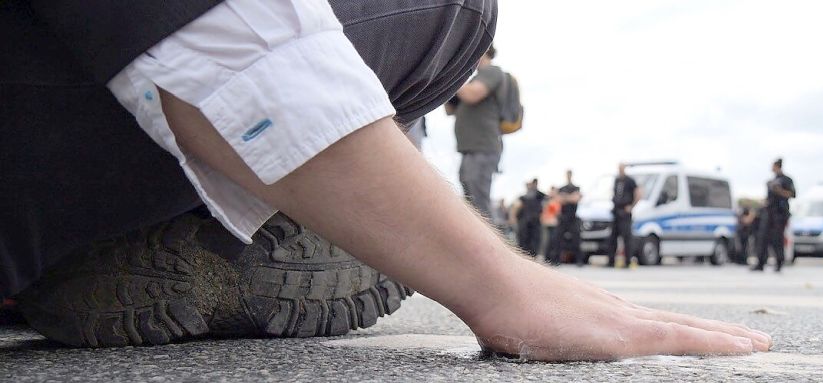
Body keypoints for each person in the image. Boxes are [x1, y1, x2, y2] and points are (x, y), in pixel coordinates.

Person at [1, 0, 772, 361]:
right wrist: (494, 280)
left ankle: (298, 199)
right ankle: (274, 217)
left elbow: (498, 117)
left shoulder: (506, 90)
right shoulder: (489, 70)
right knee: (457, 9)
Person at [445, 45, 505, 220]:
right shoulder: (472, 80)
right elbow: (450, 110)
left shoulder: (492, 72)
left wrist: (450, 77)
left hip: (482, 147)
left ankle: (490, 245)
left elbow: (472, 95)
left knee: (479, 202)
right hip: (470, 149)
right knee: (472, 203)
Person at [752, 159, 797, 273]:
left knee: (777, 239)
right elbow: (769, 199)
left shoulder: (786, 180)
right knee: (762, 238)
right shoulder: (771, 181)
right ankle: (760, 263)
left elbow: (792, 194)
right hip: (768, 213)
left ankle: (779, 263)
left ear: (777, 166)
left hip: (780, 214)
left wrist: (779, 191)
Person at [607, 163, 641, 268]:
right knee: (612, 238)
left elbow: (638, 193)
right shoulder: (617, 180)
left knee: (626, 238)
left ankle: (627, 262)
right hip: (616, 211)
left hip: (625, 213)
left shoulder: (630, 181)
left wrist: (632, 206)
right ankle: (611, 261)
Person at [547, 170, 584, 266]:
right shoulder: (561, 188)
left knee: (576, 239)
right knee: (558, 239)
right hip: (563, 217)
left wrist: (565, 197)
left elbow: (576, 199)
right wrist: (570, 197)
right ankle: (556, 260)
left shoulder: (576, 187)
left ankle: (579, 260)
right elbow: (558, 199)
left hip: (573, 217)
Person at [513, 179, 547, 257]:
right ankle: (524, 255)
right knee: (524, 239)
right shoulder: (523, 197)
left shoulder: (539, 195)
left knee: (535, 239)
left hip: (535, 220)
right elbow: (517, 207)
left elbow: (546, 203)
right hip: (525, 221)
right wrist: (514, 217)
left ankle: (532, 256)